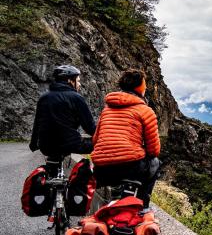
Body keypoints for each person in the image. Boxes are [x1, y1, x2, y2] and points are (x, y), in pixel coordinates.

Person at [90, 69, 161, 207]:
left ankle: (117, 195)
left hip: (101, 171)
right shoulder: (145, 111)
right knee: (155, 162)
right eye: (144, 85)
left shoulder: (107, 110)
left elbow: (95, 141)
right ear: (140, 88)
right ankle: (142, 206)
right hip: (130, 168)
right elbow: (154, 150)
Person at [30, 65, 96, 174]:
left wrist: (34, 144)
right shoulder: (76, 98)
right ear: (70, 80)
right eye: (78, 81)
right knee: (97, 145)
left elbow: (37, 124)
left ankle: (50, 174)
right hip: (70, 144)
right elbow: (90, 127)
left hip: (45, 145)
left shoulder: (43, 98)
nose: (79, 84)